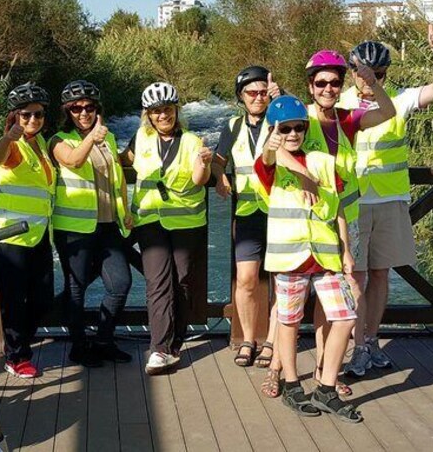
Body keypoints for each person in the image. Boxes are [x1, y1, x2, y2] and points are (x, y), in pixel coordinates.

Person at [338, 28, 433, 378]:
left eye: (379, 74)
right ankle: (357, 347)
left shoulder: (398, 100)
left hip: (390, 200)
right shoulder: (340, 103)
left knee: (380, 274)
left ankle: (371, 341)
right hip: (354, 204)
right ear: (352, 72)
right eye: (363, 73)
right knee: (355, 278)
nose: (369, 80)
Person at [256, 95, 362, 423]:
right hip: (290, 258)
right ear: (274, 130)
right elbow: (268, 157)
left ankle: (326, 388)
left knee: (345, 317)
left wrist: (346, 249)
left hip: (326, 256)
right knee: (288, 322)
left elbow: (339, 206)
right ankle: (291, 384)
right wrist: (276, 147)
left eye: (298, 128)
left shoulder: (323, 160)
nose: (292, 134)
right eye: (285, 128)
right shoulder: (269, 162)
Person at [298, 50, 395, 392]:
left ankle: (327, 369)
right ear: (310, 86)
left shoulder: (347, 120)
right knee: (308, 297)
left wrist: (371, 82)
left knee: (335, 298)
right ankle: (286, 368)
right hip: (309, 223)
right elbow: (273, 149)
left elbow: (388, 111)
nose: (328, 88)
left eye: (335, 82)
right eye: (321, 82)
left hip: (344, 221)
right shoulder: (301, 118)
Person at [120, 82, 212, 375]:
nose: (163, 116)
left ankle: (175, 343)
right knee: (158, 282)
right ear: (148, 114)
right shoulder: (141, 138)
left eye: (168, 110)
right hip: (149, 221)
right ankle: (159, 348)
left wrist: (206, 164)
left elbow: (199, 179)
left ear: (176, 111)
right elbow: (123, 162)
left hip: (186, 221)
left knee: (182, 281)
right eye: (157, 111)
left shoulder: (192, 142)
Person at [50, 80, 133, 367]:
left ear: (97, 109)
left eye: (89, 107)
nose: (83, 113)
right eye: (76, 108)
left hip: (109, 224)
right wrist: (91, 138)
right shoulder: (59, 140)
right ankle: (78, 346)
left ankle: (104, 340)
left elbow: (117, 174)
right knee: (76, 288)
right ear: (67, 112)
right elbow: (73, 161)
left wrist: (127, 209)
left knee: (120, 283)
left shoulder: (107, 139)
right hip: (74, 227)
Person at [212, 66, 282, 367]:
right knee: (246, 280)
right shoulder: (233, 125)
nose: (258, 97)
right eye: (251, 93)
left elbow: (303, 131)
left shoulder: (281, 121)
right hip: (247, 213)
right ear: (241, 96)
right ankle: (248, 340)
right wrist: (218, 176)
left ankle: (273, 342)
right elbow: (218, 159)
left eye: (263, 92)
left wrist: (283, 99)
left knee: (283, 282)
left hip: (280, 211)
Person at [0, 82, 55, 379]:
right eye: (26, 115)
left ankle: (22, 344)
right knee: (14, 301)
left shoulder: (40, 143)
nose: (32, 120)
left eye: (38, 115)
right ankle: (16, 356)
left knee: (42, 299)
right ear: (15, 116)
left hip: (38, 234)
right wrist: (8, 136)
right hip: (10, 234)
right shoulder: (13, 143)